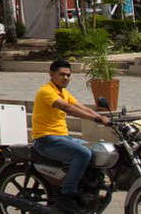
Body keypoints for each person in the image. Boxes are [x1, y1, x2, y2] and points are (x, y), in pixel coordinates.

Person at [32, 58, 111, 213]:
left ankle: (89, 189)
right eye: (62, 74)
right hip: (46, 139)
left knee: (97, 150)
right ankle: (67, 194)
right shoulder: (46, 91)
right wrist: (95, 119)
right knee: (83, 153)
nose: (66, 78)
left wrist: (101, 117)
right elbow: (67, 108)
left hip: (62, 138)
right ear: (51, 74)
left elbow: (79, 106)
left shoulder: (63, 92)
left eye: (68, 75)